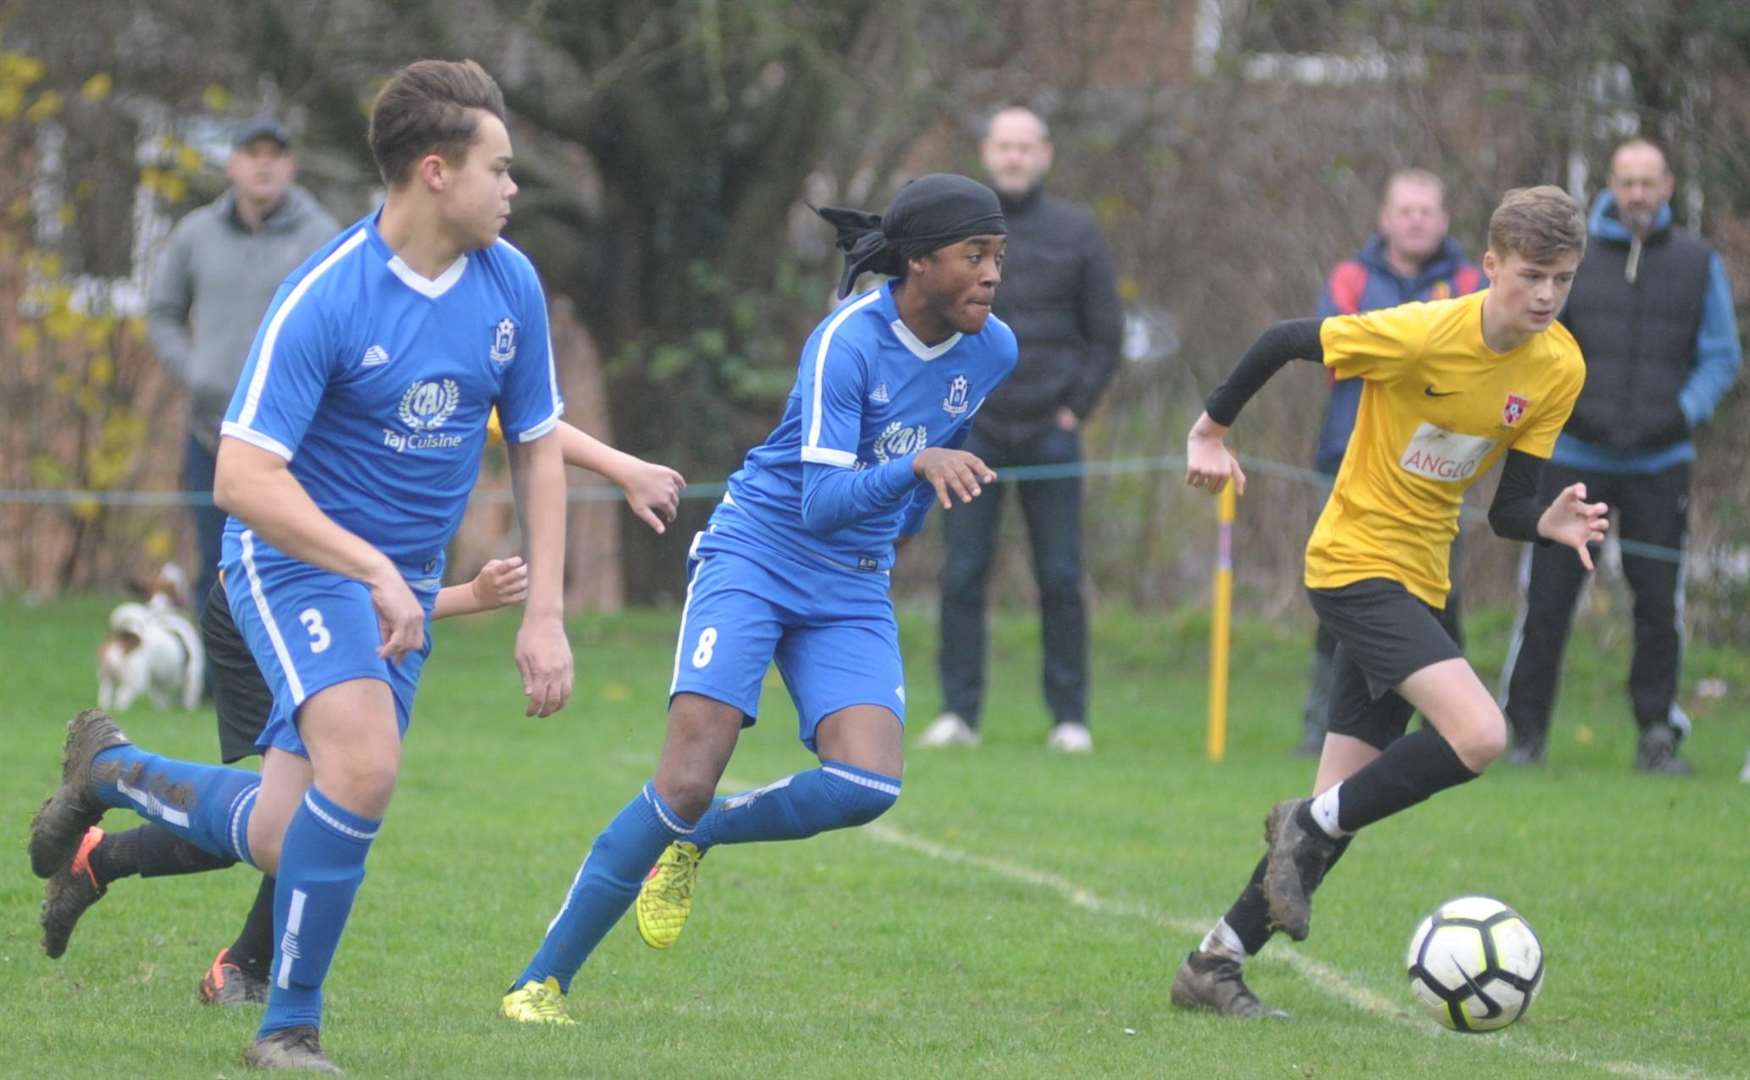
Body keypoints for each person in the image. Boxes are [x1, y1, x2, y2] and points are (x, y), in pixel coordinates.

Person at [28, 59, 573, 1073]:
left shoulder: (511, 284)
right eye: (500, 168)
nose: (514, 189)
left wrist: (544, 612)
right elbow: (240, 477)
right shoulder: (327, 293)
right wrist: (369, 566)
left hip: (389, 578)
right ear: (435, 171)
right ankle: (288, 1027)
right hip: (290, 561)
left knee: (287, 834)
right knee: (363, 769)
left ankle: (111, 771)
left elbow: (538, 440)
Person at [499, 173, 1016, 1024]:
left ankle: (696, 841)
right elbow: (820, 500)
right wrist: (912, 470)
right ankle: (540, 982)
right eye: (974, 256)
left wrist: (915, 507)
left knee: (867, 785)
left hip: (850, 580)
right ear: (918, 263)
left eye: (999, 256)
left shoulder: (993, 349)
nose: (993, 275)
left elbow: (942, 442)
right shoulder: (846, 343)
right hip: (759, 551)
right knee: (687, 778)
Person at [38, 420, 686, 1005]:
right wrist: (469, 594)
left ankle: (125, 867)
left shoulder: (453, 356)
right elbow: (347, 581)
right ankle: (122, 791)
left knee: (307, 814)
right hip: (274, 597)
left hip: (358, 612)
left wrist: (620, 468)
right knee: (298, 820)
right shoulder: (349, 354)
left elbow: (527, 425)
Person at [1169, 186, 1607, 1019]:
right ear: (1489, 266)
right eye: (1530, 276)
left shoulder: (1560, 366)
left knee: (1335, 820)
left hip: (1426, 579)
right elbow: (1280, 340)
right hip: (1353, 566)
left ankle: (1212, 965)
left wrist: (1546, 521)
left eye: (1563, 278)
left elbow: (1509, 509)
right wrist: (1209, 431)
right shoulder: (1421, 332)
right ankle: (1303, 819)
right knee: (1479, 734)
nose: (1547, 295)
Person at [1498, 139, 1741, 774]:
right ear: (1609, 183)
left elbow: (1721, 356)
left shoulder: (1697, 262)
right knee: (1548, 600)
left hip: (1662, 465)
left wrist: (1683, 412)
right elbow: (1532, 340)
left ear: (1667, 187)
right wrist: (1560, 408)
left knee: (1659, 605)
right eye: (1627, 181)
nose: (1637, 193)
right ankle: (1522, 734)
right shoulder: (1572, 260)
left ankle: (1658, 734)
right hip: (1574, 456)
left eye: (1649, 182)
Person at [916, 107, 1121, 754]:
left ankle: (1069, 718)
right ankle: (958, 714)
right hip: (970, 429)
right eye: (1003, 146)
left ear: (1045, 155)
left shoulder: (1077, 232)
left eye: (1024, 147)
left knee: (1060, 575)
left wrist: (1075, 410)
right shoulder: (951, 235)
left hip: (1050, 431)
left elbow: (1106, 334)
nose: (1013, 157)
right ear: (986, 151)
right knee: (962, 572)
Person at [1297, 169, 1484, 755]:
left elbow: (1478, 361)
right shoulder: (1352, 277)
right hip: (1350, 458)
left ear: (1444, 219)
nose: (1416, 219)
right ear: (1385, 217)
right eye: (1405, 209)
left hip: (1435, 464)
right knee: (1341, 594)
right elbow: (1337, 355)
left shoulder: (1469, 280)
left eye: (1427, 210)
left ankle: (1448, 722)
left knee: (1436, 593)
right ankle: (1319, 721)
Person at [148, 117, 341, 633]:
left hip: (293, 441)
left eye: (274, 154)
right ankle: (212, 689)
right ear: (232, 163)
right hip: (211, 432)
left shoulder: (322, 235)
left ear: (290, 165)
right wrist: (194, 371)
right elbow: (162, 312)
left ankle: (285, 678)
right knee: (215, 563)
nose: (263, 163)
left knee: (289, 562)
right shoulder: (195, 234)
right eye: (251, 153)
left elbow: (344, 324)